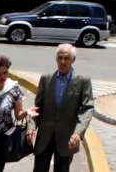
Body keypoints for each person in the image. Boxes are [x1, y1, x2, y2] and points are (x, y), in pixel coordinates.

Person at [29, 44, 94, 172]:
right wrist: (31, 127)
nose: (62, 62)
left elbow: (87, 108)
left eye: (66, 58)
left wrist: (78, 132)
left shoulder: (83, 81)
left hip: (67, 138)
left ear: (73, 60)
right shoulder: (46, 78)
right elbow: (37, 107)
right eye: (60, 58)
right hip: (44, 137)